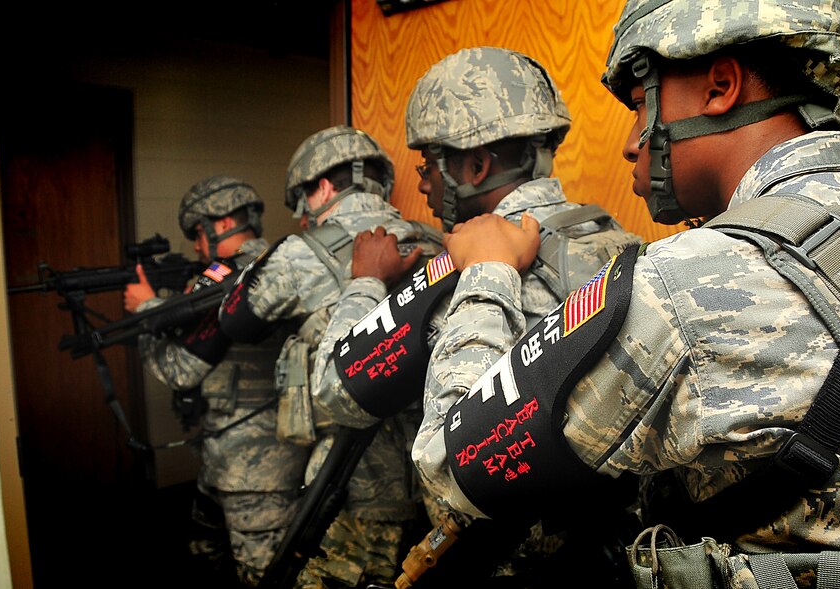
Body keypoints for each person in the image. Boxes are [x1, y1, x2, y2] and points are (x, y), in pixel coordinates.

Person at [412, 1, 840, 585]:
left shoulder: (685, 286)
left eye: (639, 108)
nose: (632, 144)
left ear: (720, 86)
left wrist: (488, 272)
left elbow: (451, 472)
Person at [310, 46, 641, 587]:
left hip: (493, 563)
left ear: (476, 166)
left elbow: (334, 393)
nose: (421, 184)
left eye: (427, 165)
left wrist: (365, 280)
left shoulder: (461, 269)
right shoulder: (625, 245)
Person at [216, 124, 443, 589]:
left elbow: (235, 321)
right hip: (433, 476)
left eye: (302, 201)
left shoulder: (301, 251)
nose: (303, 217)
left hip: (349, 481)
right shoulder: (435, 240)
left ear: (321, 187)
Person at [123, 175, 303, 587]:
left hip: (253, 470)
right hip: (252, 454)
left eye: (197, 235)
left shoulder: (229, 280)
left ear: (220, 225)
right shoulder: (280, 263)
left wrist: (145, 313)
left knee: (264, 575)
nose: (195, 247)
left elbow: (181, 370)